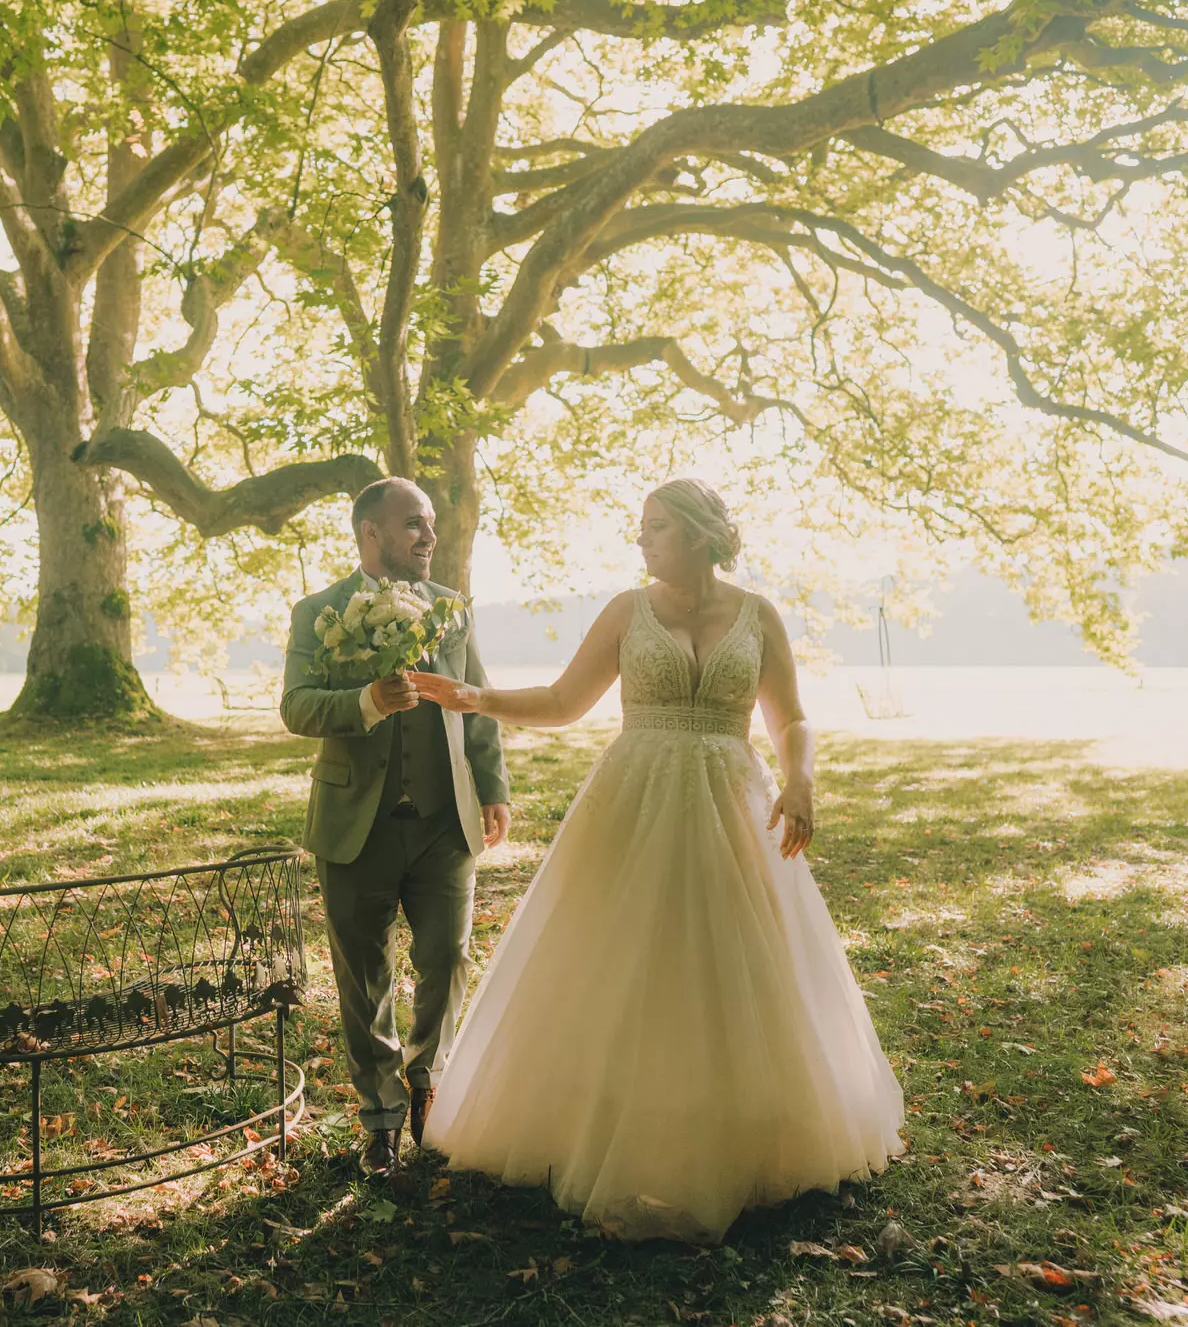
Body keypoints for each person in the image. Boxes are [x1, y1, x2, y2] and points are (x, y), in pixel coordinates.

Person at [406, 477, 903, 1242]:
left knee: (732, 965)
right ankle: (605, 1123)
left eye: (657, 527)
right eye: (642, 529)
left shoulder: (758, 614)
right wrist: (477, 700)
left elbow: (792, 716)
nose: (643, 541)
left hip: (733, 802)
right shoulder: (626, 610)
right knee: (628, 959)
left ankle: (739, 1127)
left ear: (701, 533)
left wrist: (800, 779)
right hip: (635, 802)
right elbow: (565, 699)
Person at [280, 477, 512, 1178]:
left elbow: (477, 703)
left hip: (444, 822)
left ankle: (427, 1087)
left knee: (447, 958)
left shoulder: (453, 610)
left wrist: (493, 786)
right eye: (413, 523)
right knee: (364, 977)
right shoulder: (318, 611)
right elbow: (296, 706)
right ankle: (379, 1120)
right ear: (371, 532)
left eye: (431, 523)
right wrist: (366, 700)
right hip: (357, 824)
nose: (428, 536)